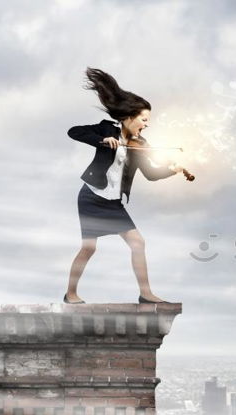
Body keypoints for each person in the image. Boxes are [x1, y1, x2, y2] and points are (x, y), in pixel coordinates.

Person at [64, 67, 183, 304]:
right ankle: (71, 294)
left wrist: (172, 171)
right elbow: (73, 132)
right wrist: (101, 140)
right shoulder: (107, 129)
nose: (146, 125)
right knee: (89, 248)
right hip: (92, 197)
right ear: (129, 116)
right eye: (144, 119)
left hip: (114, 203)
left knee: (138, 243)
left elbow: (150, 173)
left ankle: (146, 294)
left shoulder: (140, 144)